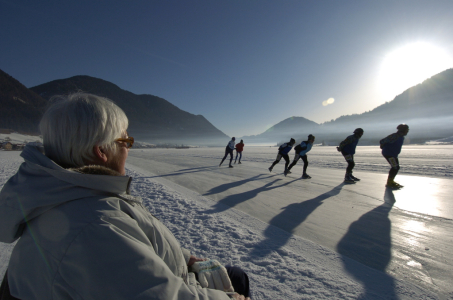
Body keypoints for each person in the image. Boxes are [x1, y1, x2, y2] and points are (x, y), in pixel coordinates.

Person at [0, 93, 251, 300]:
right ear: (101, 151)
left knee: (236, 275)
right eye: (126, 140)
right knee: (238, 280)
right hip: (180, 286)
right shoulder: (94, 226)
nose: (128, 148)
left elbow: (138, 244)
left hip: (176, 272)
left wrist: (185, 257)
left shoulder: (78, 195)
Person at [380, 124, 409, 189]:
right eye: (407, 130)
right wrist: (383, 146)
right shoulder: (395, 136)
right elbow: (382, 141)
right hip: (389, 154)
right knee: (395, 167)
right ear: (403, 130)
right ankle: (389, 182)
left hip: (393, 154)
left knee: (395, 167)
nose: (407, 131)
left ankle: (390, 181)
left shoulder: (400, 136)